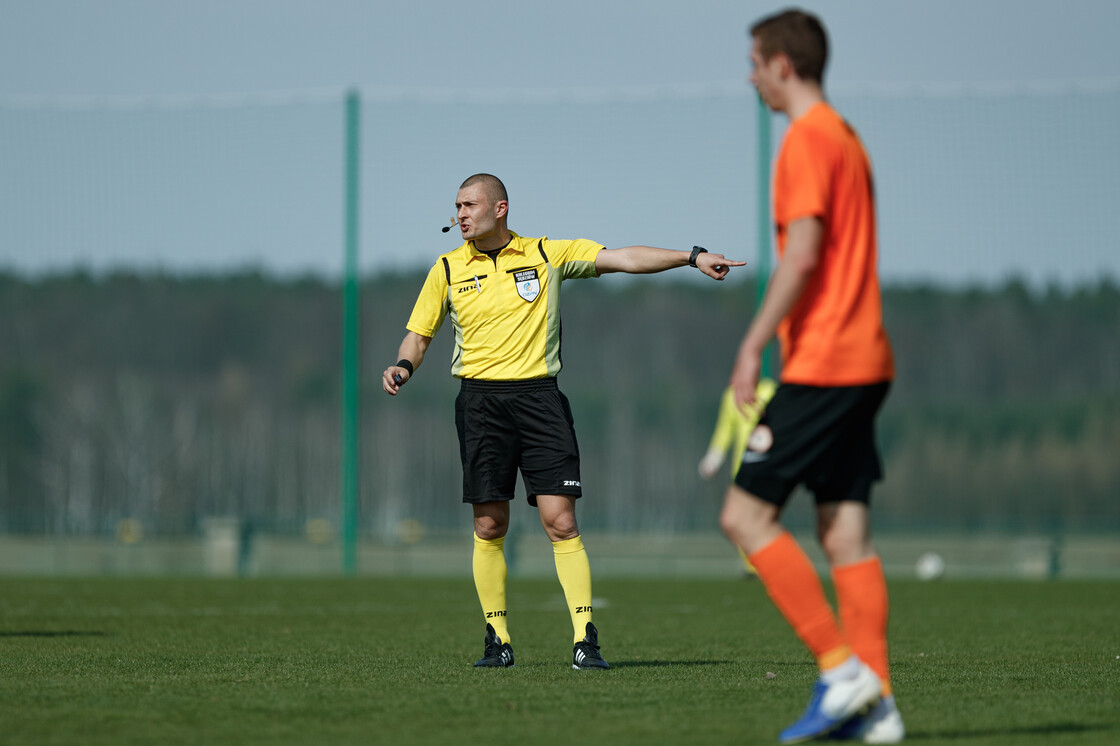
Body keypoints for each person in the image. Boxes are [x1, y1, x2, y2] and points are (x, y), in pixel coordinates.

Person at [383, 173, 744, 670]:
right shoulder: (446, 269)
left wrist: (691, 256)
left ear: (501, 208)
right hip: (480, 404)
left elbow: (622, 258)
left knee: (561, 521)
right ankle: (498, 640)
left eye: (469, 205)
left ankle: (584, 639)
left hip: (540, 400)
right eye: (457, 206)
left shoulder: (547, 254)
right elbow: (417, 337)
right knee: (490, 524)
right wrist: (403, 366)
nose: (460, 215)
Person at [718, 9, 904, 744]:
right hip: (867, 361)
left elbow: (802, 256)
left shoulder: (805, 141)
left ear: (783, 66)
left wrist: (750, 345)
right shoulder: (848, 140)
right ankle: (879, 707)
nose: (751, 76)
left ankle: (841, 671)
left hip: (824, 363)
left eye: (756, 62)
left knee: (743, 516)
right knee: (844, 533)